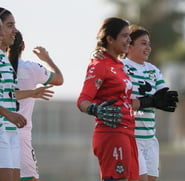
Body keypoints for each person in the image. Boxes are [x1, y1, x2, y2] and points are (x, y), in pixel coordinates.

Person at [92, 25, 179, 181]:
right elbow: (122, 102)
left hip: (150, 137)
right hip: (131, 136)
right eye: (143, 43)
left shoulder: (153, 70)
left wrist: (152, 101)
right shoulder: (121, 67)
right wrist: (150, 101)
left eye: (149, 43)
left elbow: (163, 98)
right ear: (129, 46)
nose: (148, 48)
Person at [77, 17, 139, 181]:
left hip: (127, 132)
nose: (129, 40)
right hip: (112, 133)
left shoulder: (118, 65)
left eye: (129, 36)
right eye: (124, 36)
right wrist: (94, 109)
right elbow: (83, 100)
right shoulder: (99, 65)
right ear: (110, 39)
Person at [0, 7, 53, 181]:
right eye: (9, 25)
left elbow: (7, 94)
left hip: (11, 132)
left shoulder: (4, 61)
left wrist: (32, 93)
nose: (14, 30)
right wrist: (9, 114)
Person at [7, 30, 64, 181]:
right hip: (20, 136)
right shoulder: (32, 68)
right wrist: (47, 59)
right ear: (23, 46)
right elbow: (59, 79)